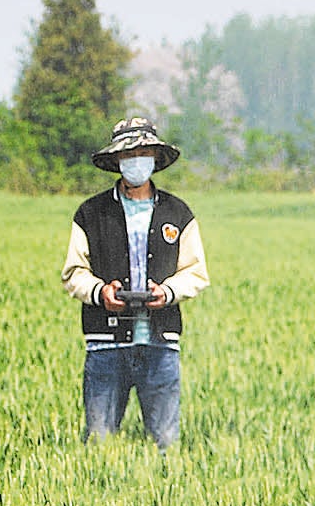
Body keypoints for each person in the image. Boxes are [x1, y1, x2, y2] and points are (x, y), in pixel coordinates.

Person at [61, 117, 208, 448]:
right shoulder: (91, 213)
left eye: (143, 152)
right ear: (116, 161)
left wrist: (167, 292)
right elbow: (74, 272)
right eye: (128, 154)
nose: (136, 161)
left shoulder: (178, 212)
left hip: (160, 341)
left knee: (167, 443)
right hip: (105, 342)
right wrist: (101, 292)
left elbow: (196, 272)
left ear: (155, 158)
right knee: (99, 441)